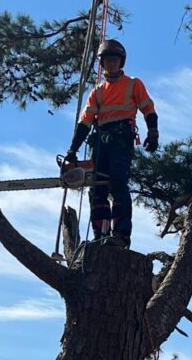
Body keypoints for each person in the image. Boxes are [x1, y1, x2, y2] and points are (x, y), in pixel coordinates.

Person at [65, 39, 160, 247]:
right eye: (108, 60)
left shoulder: (133, 84)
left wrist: (152, 130)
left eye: (115, 60)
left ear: (121, 62)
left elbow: (148, 108)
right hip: (100, 141)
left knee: (118, 182)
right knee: (97, 189)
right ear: (103, 63)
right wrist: (73, 149)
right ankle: (100, 234)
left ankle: (121, 234)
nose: (111, 64)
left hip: (121, 138)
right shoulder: (97, 92)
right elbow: (85, 122)